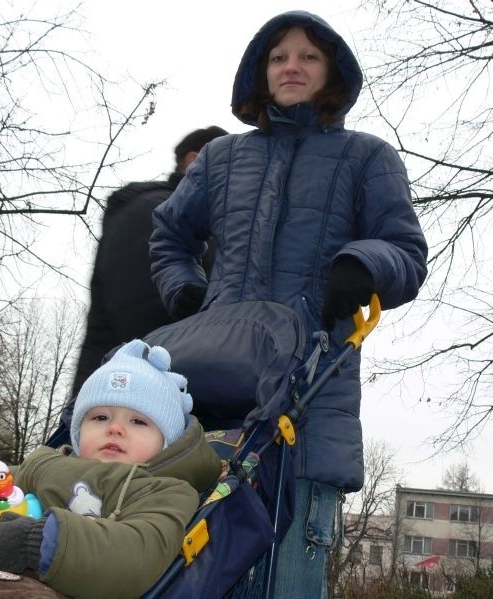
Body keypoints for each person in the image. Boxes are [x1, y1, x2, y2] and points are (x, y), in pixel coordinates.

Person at [149, 10, 428, 598]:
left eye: (307, 56)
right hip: (209, 400)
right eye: (279, 57)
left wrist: (364, 263)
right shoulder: (221, 161)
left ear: (331, 73)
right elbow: (170, 236)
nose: (292, 67)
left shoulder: (367, 157)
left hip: (310, 401)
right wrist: (186, 291)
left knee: (289, 578)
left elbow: (406, 251)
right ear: (261, 71)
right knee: (188, 576)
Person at [0, 339, 223, 598]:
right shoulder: (46, 463)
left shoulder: (165, 490)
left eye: (138, 421)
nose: (114, 428)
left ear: (167, 442)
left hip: (56, 586)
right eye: (99, 417)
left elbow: (140, 553)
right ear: (77, 431)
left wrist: (36, 542)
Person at [70, 125, 229, 400]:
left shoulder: (172, 215)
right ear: (194, 160)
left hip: (118, 398)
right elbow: (153, 322)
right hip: (140, 401)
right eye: (231, 165)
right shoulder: (158, 213)